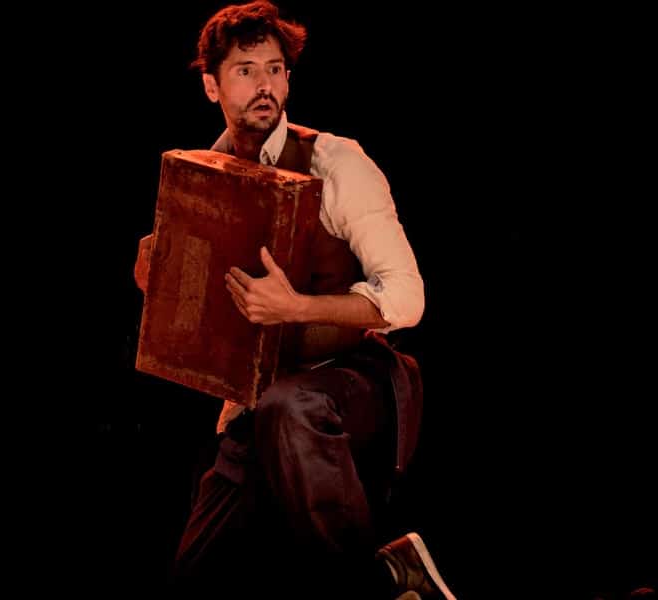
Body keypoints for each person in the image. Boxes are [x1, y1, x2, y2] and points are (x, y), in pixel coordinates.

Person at [134, 2, 456, 598]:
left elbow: (408, 298)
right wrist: (160, 276)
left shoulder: (338, 162)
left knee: (289, 407)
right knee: (194, 576)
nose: (265, 85)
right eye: (245, 70)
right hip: (262, 400)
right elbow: (210, 310)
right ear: (211, 85)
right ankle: (390, 575)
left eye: (275, 69)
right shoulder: (207, 176)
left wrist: (298, 308)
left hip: (355, 387)